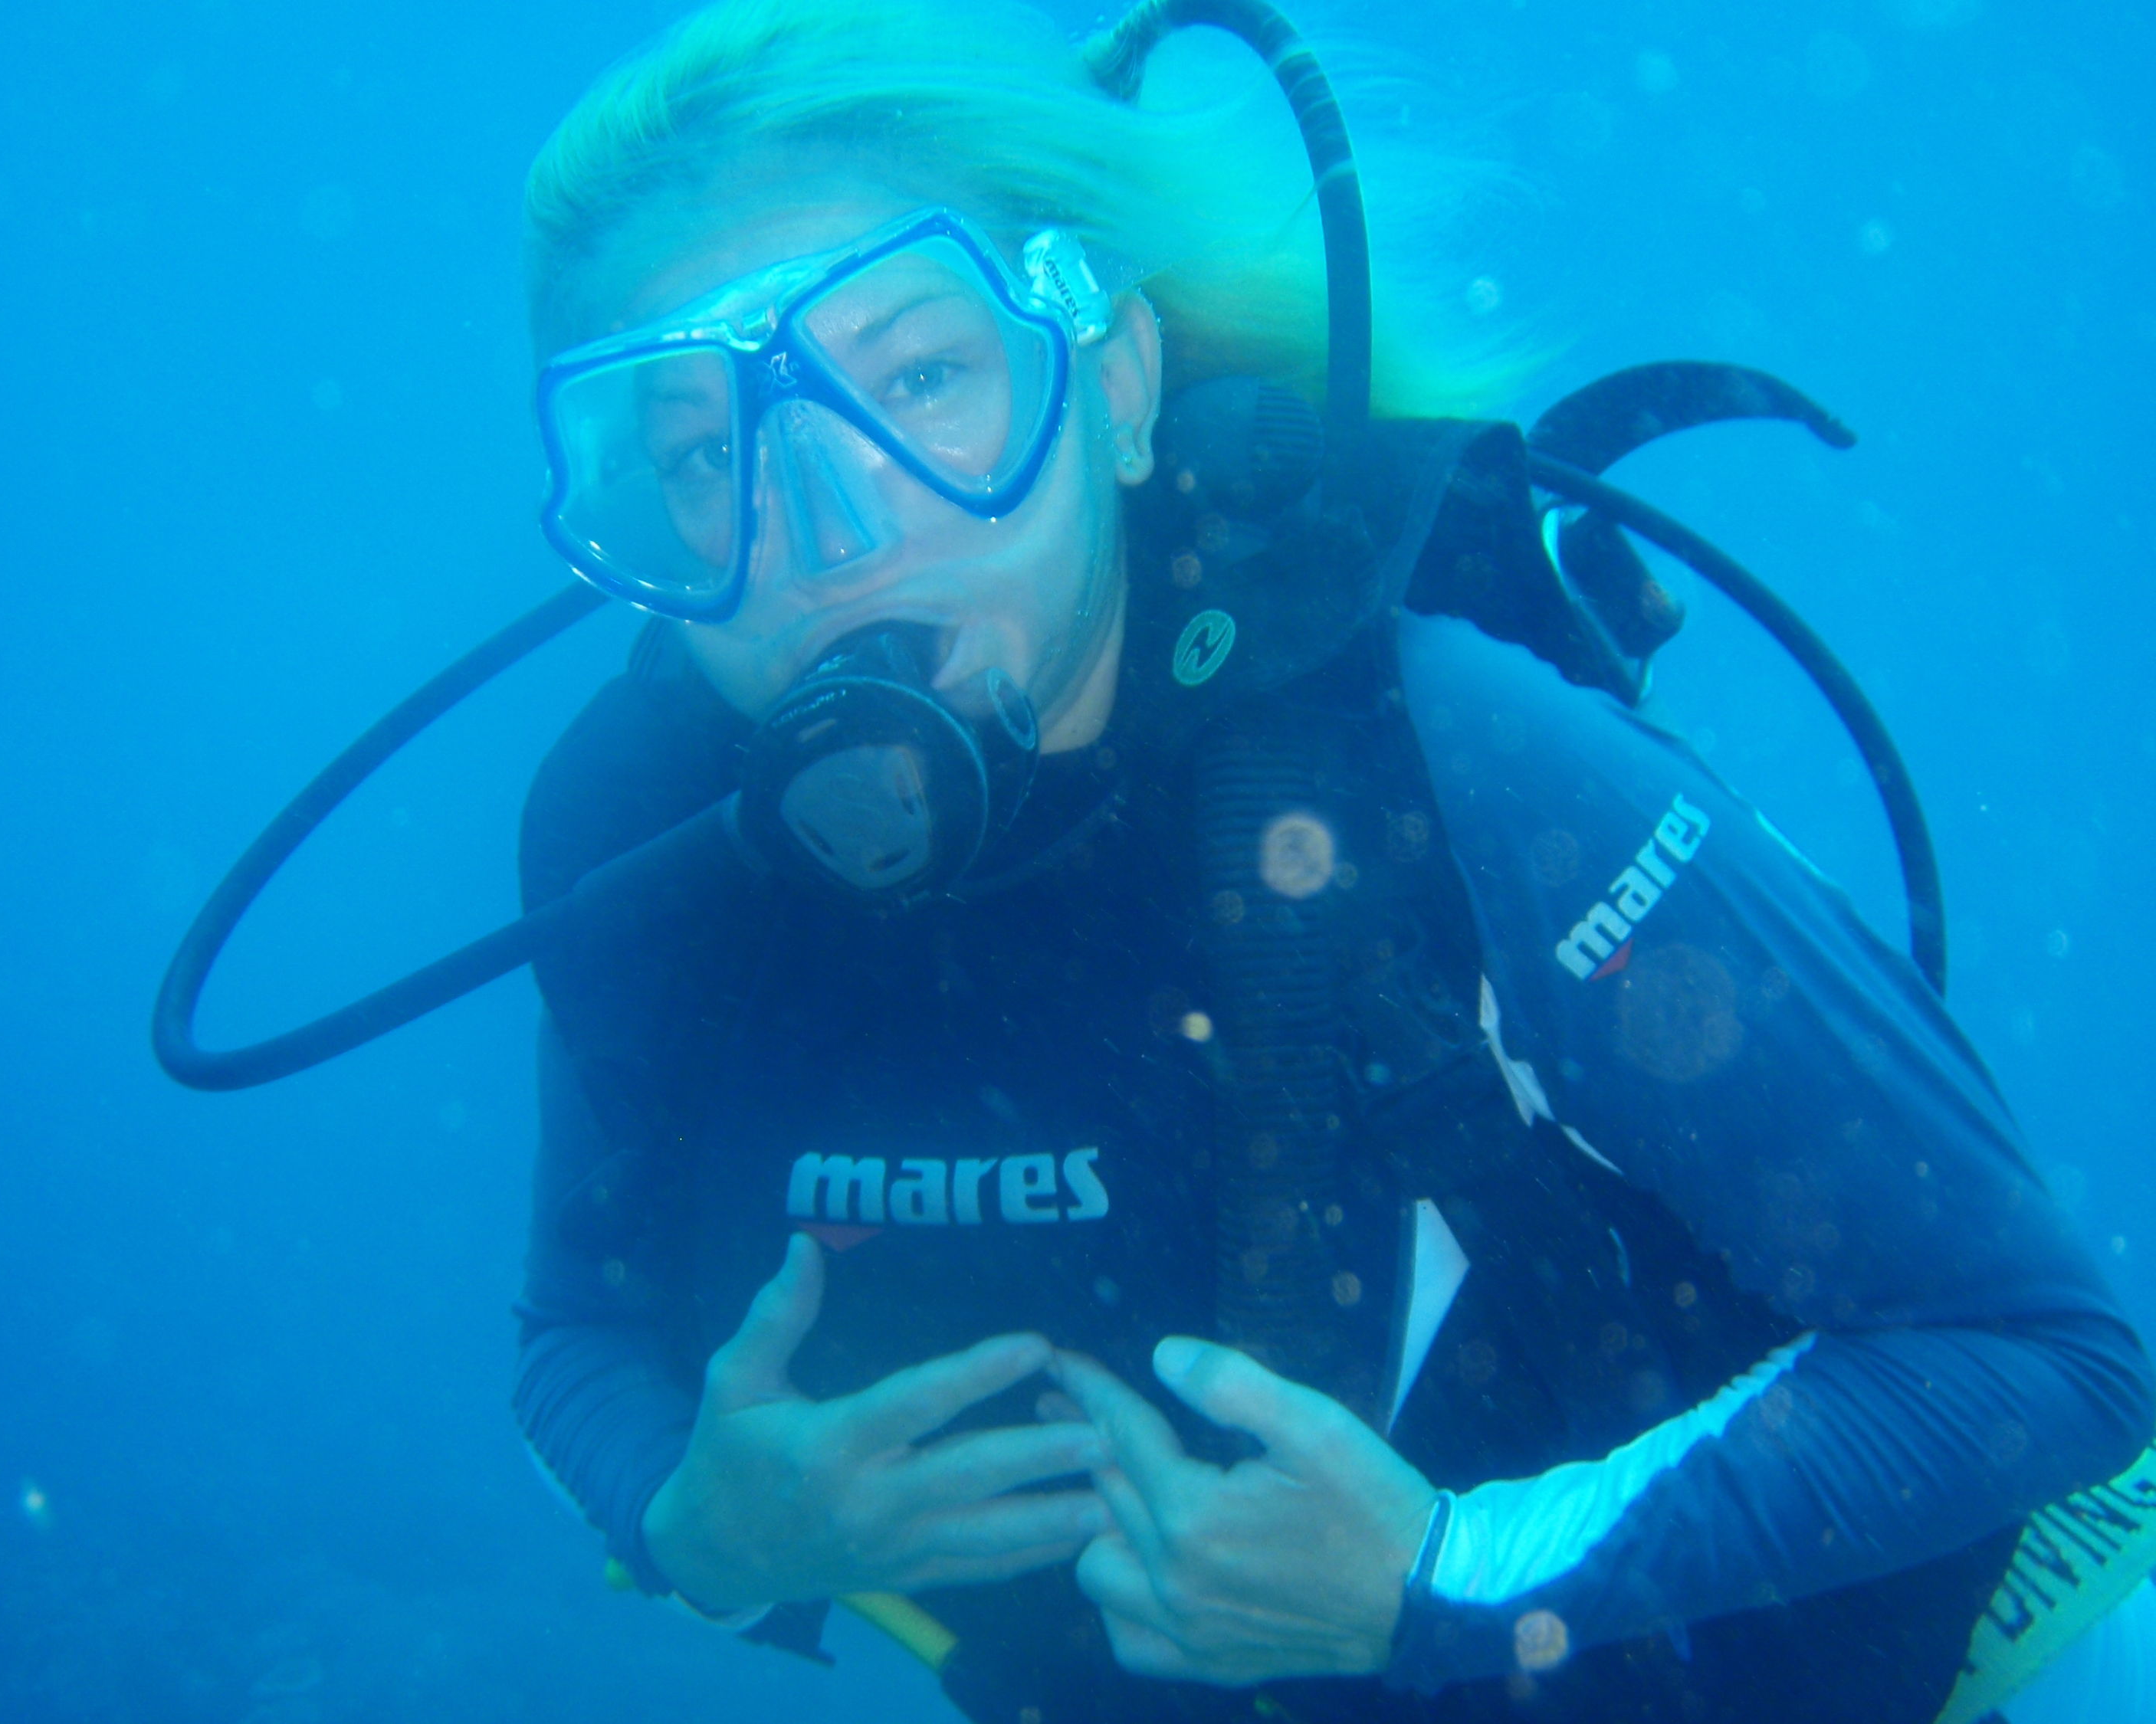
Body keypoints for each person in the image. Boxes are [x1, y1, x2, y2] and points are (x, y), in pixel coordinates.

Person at [506, 2, 2155, 1719]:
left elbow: (2044, 1352)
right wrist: (701, 1530)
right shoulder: (652, 874)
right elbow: (573, 1335)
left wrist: (1445, 1572)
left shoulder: (1454, 760)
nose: (833, 536)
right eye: (708, 454)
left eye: (921, 378)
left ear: (1118, 384)